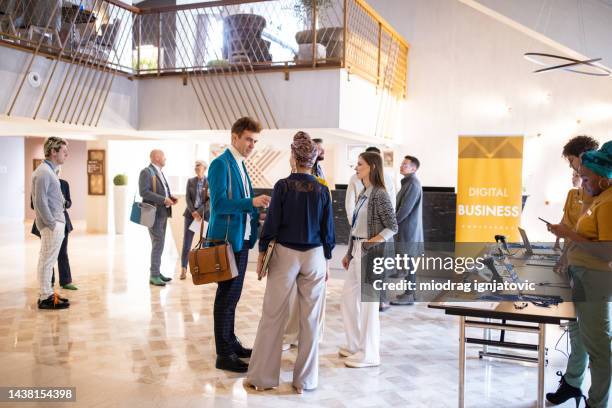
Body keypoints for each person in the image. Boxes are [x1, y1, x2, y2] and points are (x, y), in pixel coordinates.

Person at [247, 131, 335, 393]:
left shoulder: (282, 186)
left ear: (294, 158)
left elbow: (271, 224)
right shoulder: (322, 189)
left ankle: (262, 379)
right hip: (315, 255)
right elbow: (328, 229)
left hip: (285, 253)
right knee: (310, 320)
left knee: (273, 314)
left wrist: (263, 251)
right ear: (312, 159)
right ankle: (305, 382)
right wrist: (328, 261)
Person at [546, 141, 612, 408]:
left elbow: (607, 252)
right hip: (583, 275)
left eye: (585, 177)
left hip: (595, 280)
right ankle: (576, 387)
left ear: (603, 178)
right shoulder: (597, 197)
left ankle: (597, 403)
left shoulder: (607, 202)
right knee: (584, 337)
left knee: (598, 347)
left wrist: (569, 235)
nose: (580, 181)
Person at [208, 117, 271, 373]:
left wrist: (257, 213)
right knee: (225, 297)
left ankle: (231, 342)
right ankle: (223, 354)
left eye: (255, 141)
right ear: (234, 137)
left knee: (233, 297)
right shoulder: (220, 164)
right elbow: (219, 205)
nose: (252, 145)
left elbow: (244, 202)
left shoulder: (242, 165)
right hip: (226, 241)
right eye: (248, 139)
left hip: (242, 239)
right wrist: (251, 203)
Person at [340, 152, 397, 368]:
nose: (356, 167)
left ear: (372, 167)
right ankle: (355, 345)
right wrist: (349, 252)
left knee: (369, 306)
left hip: (370, 252)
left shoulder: (379, 194)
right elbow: (355, 226)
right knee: (347, 299)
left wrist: (369, 245)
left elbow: (392, 226)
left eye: (360, 164)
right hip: (357, 250)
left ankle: (370, 354)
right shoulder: (364, 192)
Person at [32, 137, 70, 310]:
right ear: (53, 152)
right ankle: (45, 296)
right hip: (52, 224)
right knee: (47, 261)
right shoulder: (43, 172)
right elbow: (39, 202)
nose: (66, 154)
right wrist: (51, 223)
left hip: (55, 222)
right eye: (63, 151)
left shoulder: (50, 171)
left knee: (48, 260)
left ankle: (47, 293)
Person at [138, 149, 177, 287]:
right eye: (163, 156)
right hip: (153, 213)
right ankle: (154, 275)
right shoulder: (146, 172)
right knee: (158, 243)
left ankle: (157, 271)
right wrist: (163, 199)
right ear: (156, 157)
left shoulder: (159, 171)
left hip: (162, 213)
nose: (165, 158)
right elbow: (144, 192)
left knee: (160, 243)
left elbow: (161, 190)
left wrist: (169, 198)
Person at [31, 177, 77, 290]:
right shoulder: (41, 181)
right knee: (48, 253)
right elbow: (33, 204)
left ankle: (66, 281)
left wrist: (65, 203)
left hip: (63, 222)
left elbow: (69, 202)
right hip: (46, 223)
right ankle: (48, 281)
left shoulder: (64, 183)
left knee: (63, 252)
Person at [390, 155, 423, 306]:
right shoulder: (408, 183)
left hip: (408, 230)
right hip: (406, 229)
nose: (401, 166)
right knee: (407, 262)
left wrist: (391, 224)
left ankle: (409, 294)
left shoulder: (413, 184)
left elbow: (405, 209)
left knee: (409, 263)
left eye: (405, 164)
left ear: (413, 168)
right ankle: (410, 294)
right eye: (402, 163)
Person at [180, 160, 209, 280]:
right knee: (187, 242)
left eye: (198, 165)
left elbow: (210, 201)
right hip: (190, 214)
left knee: (205, 242)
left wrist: (199, 212)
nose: (196, 167)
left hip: (205, 214)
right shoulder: (190, 181)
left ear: (204, 168)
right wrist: (193, 212)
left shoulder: (210, 182)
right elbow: (187, 198)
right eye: (195, 165)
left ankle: (204, 269)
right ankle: (183, 269)